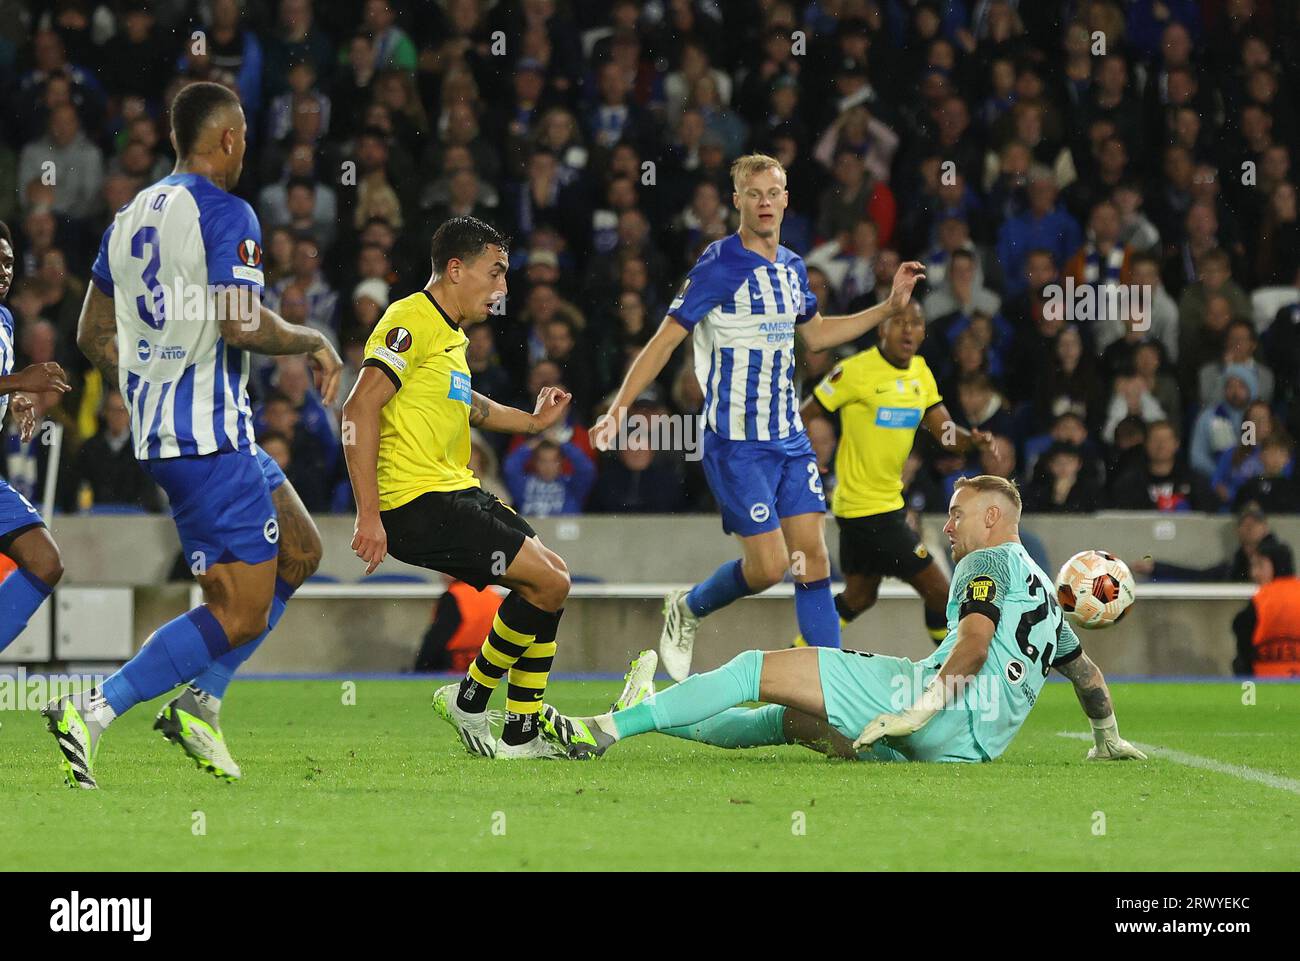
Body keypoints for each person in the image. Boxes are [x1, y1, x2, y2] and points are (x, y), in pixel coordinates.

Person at [49, 82, 343, 789]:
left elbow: (91, 332)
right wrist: (312, 336)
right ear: (230, 138)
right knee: (237, 611)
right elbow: (243, 324)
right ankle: (90, 709)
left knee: (300, 550)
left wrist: (149, 373)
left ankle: (200, 702)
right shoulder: (227, 211)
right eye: (243, 136)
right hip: (206, 441)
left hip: (192, 434)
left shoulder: (127, 216)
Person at [592, 153, 926, 682]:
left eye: (774, 192)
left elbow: (815, 336)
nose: (765, 202)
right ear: (738, 202)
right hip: (736, 442)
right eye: (754, 194)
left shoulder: (793, 266)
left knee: (813, 561)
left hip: (790, 437)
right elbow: (664, 341)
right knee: (769, 568)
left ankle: (833, 685)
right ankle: (688, 608)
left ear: (786, 199)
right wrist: (619, 409)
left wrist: (887, 309)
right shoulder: (718, 263)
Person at [542, 476, 1145, 766]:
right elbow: (1087, 676)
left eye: (958, 515)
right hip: (966, 753)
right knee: (790, 720)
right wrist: (1106, 737)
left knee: (755, 667)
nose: (950, 527)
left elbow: (976, 643)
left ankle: (603, 731)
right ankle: (642, 708)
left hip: (924, 707)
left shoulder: (987, 560)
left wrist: (920, 707)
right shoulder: (1047, 595)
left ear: (992, 517)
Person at [343, 216, 579, 760]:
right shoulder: (410, 318)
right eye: (494, 273)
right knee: (548, 582)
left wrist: (533, 423)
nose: (503, 288)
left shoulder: (450, 336)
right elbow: (359, 407)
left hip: (456, 490)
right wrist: (369, 515)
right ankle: (473, 699)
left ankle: (520, 732)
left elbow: (468, 405)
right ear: (455, 269)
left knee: (550, 583)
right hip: (416, 501)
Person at [800, 301, 995, 649]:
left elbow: (945, 433)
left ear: (923, 332)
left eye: (916, 323)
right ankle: (952, 677)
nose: (908, 330)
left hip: (880, 505)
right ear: (882, 329)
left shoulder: (921, 372)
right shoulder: (855, 371)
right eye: (899, 322)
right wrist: (800, 457)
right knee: (940, 593)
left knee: (860, 596)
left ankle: (794, 653)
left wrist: (971, 440)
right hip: (868, 509)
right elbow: (805, 413)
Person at [0, 220, 73, 656]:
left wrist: (13, 398)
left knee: (45, 562)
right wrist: (17, 382)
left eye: (8, 262)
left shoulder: (6, 320)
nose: (3, 271)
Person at [1232, 540, 1300, 677]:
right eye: (1253, 566)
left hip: (1266, 685)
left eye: (1260, 566)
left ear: (1276, 565)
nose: (1254, 573)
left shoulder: (1263, 599)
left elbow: (1241, 628)